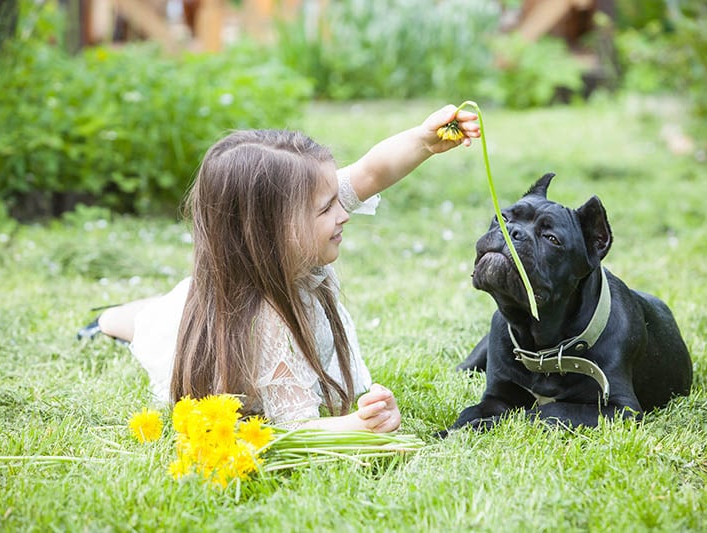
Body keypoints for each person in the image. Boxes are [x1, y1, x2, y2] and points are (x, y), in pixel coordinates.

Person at [77, 105, 480, 432]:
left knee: (168, 307)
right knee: (149, 323)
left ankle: (142, 309)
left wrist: (424, 140)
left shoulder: (296, 213)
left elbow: (371, 172)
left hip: (204, 301)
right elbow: (293, 432)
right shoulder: (267, 324)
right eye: (328, 208)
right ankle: (107, 320)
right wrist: (358, 426)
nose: (344, 213)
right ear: (271, 233)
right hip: (188, 321)